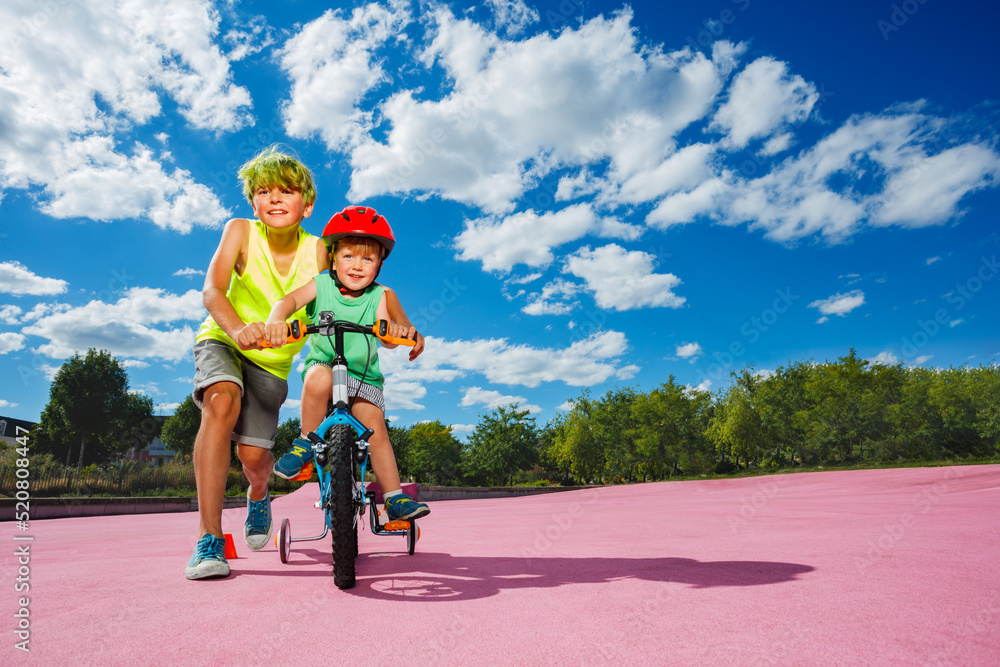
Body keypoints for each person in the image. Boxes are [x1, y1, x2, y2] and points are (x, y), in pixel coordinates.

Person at [184, 147, 424, 581]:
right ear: (253, 202)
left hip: (274, 364)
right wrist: (243, 329)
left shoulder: (322, 253)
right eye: (264, 191)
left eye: (287, 190)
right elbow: (213, 292)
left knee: (254, 456)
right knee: (221, 402)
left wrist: (398, 332)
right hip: (225, 337)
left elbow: (346, 301)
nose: (275, 198)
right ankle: (209, 540)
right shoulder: (240, 231)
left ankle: (259, 494)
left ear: (307, 205)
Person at [263, 205, 430, 523]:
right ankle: (305, 444)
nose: (357, 266)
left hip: (364, 377)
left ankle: (393, 498)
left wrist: (399, 333)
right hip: (325, 364)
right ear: (333, 258)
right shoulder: (321, 284)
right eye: (349, 256)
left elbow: (390, 335)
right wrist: (275, 319)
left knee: (374, 428)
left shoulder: (381, 295)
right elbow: (289, 301)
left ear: (379, 264)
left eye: (368, 259)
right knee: (319, 379)